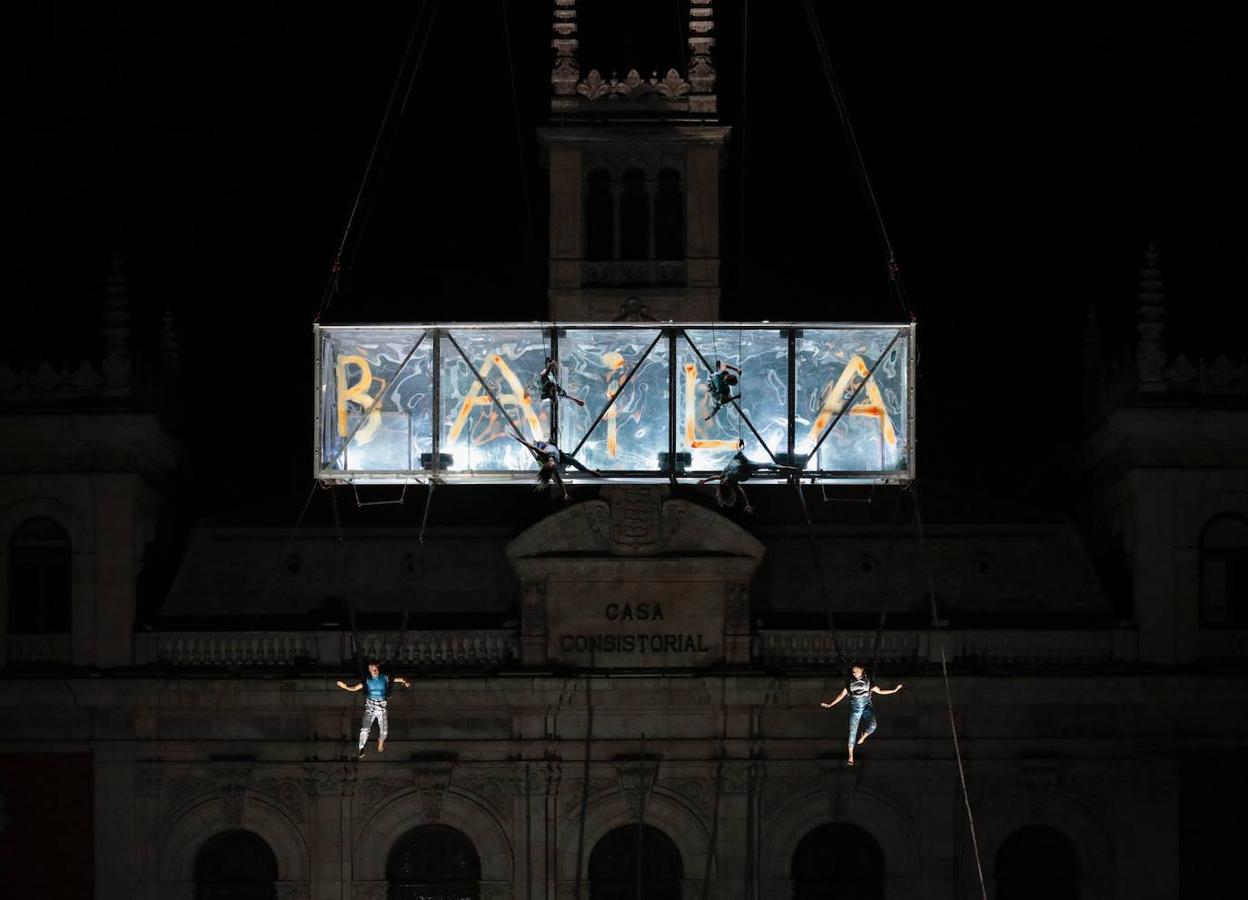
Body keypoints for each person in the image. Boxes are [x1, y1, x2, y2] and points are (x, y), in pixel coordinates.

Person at [819, 665, 903, 766]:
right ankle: (851, 756)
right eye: (853, 672)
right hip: (855, 709)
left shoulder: (868, 682)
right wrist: (831, 704)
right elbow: (841, 695)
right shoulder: (850, 682)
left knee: (873, 726)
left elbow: (880, 691)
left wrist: (894, 690)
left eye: (856, 671)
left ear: (862, 670)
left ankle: (864, 736)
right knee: (852, 732)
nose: (854, 673)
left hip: (867, 707)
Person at [337, 661, 410, 759]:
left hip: (381, 707)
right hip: (370, 706)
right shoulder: (367, 680)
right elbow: (355, 688)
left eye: (377, 669)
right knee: (364, 729)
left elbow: (396, 679)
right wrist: (345, 687)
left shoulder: (383, 678)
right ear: (370, 670)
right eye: (374, 670)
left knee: (384, 732)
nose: (376, 671)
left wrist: (405, 681)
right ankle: (361, 748)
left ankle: (380, 742)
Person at [698, 446, 800, 513]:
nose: (724, 482)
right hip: (745, 467)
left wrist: (704, 481)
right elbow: (742, 494)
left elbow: (712, 477)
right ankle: (793, 469)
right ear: (728, 486)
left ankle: (791, 469)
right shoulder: (733, 483)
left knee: (767, 465)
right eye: (725, 484)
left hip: (739, 460)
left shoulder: (722, 476)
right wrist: (747, 505)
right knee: (768, 465)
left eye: (722, 483)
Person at [512, 434, 603, 500]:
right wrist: (565, 493)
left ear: (546, 464)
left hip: (553, 450)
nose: (553, 466)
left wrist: (520, 440)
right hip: (559, 455)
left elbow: (531, 446)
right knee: (572, 461)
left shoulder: (544, 454)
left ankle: (590, 471)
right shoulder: (555, 467)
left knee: (540, 445)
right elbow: (560, 481)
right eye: (553, 468)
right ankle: (590, 471)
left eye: (551, 467)